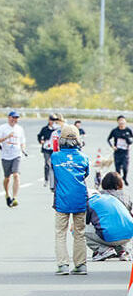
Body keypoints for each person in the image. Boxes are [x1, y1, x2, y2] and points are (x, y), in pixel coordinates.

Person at [50, 124, 90, 275]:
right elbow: (86, 174)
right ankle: (81, 265)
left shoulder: (55, 157)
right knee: (79, 232)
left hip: (62, 199)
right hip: (80, 198)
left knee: (60, 232)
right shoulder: (84, 157)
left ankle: (63, 265)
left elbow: (54, 172)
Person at [88, 172, 133, 261]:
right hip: (128, 234)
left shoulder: (99, 195)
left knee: (80, 229)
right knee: (121, 223)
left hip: (109, 233)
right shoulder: (126, 196)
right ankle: (122, 250)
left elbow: (88, 219)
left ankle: (103, 249)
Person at [0, 110, 26, 207]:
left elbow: (22, 141)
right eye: (13, 117)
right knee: (7, 178)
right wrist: (7, 137)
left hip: (16, 154)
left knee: (16, 175)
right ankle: (7, 194)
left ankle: (15, 197)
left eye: (16, 118)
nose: (14, 120)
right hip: (6, 156)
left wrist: (23, 149)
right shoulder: (2, 128)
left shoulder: (20, 129)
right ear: (9, 118)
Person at [107, 116, 133, 186]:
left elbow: (131, 140)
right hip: (117, 152)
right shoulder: (115, 131)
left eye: (123, 121)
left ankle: (124, 177)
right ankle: (118, 183)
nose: (121, 122)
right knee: (117, 169)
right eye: (120, 121)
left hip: (125, 152)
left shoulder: (128, 130)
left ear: (125, 122)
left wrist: (129, 143)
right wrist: (112, 146)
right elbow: (108, 139)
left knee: (125, 167)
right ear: (118, 122)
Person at [37, 115, 58, 185]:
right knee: (47, 163)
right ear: (49, 120)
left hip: (54, 149)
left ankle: (54, 179)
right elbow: (39, 136)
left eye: (54, 120)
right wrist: (41, 141)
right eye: (52, 120)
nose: (53, 122)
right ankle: (46, 179)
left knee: (54, 164)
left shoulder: (57, 129)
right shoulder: (45, 129)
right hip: (46, 149)